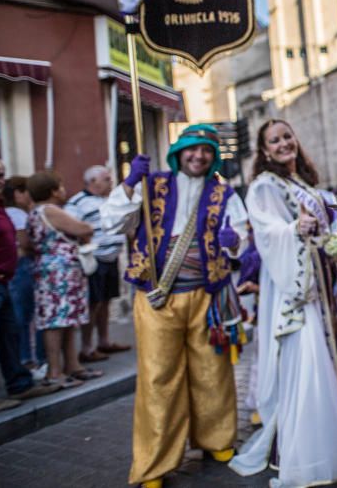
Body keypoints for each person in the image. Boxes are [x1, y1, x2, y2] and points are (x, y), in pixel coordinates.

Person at [230, 119, 337, 486]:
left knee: (329, 362)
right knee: (308, 362)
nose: (283, 144)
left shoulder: (305, 184)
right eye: (274, 141)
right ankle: (310, 454)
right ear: (264, 151)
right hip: (296, 290)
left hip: (321, 281)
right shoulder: (265, 185)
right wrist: (294, 230)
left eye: (287, 136)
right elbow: (266, 231)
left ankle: (331, 442)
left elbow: (323, 230)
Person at [101, 124, 250, 488]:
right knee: (158, 378)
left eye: (206, 151)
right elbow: (111, 223)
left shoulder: (224, 192)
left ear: (213, 157)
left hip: (207, 295)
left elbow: (242, 240)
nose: (199, 156)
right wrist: (128, 185)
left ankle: (216, 439)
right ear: (178, 151)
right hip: (157, 298)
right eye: (192, 149)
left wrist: (233, 243)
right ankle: (154, 463)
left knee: (212, 371)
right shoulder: (150, 186)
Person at [26, 171, 101, 388]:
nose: (63, 190)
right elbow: (84, 228)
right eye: (60, 186)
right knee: (56, 321)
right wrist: (83, 231)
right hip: (59, 273)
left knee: (67, 319)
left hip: (54, 270)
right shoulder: (49, 210)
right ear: (52, 191)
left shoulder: (35, 212)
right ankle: (55, 372)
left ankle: (72, 365)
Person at [0, 162, 60, 408]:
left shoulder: (1, 206)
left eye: (2, 175)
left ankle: (19, 385)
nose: (1, 180)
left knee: (9, 336)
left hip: (4, 281)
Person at [65, 165, 129, 363]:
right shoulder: (77, 202)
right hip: (94, 259)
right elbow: (71, 229)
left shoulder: (108, 199)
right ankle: (87, 347)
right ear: (93, 182)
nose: (111, 182)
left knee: (106, 301)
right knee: (94, 303)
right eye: (107, 179)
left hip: (111, 258)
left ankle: (104, 341)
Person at [3, 174, 45, 368]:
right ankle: (27, 358)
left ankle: (25, 357)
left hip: (17, 266)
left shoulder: (9, 212)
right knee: (24, 314)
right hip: (22, 266)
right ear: (19, 193)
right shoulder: (17, 214)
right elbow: (24, 242)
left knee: (22, 314)